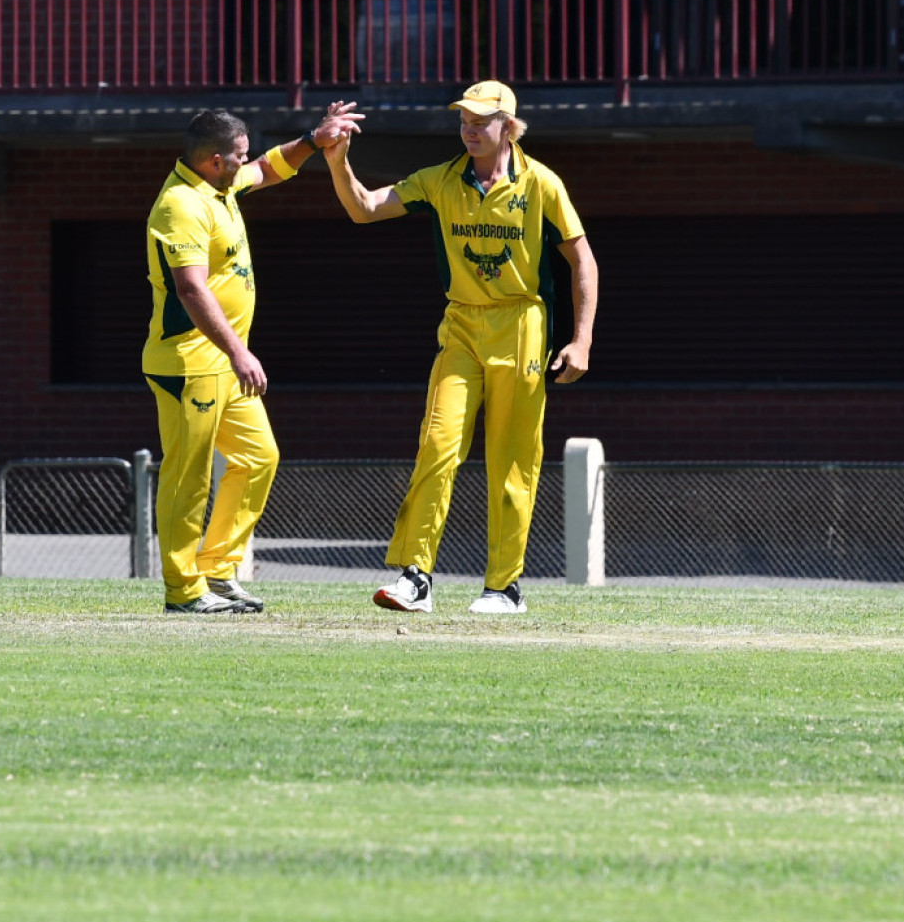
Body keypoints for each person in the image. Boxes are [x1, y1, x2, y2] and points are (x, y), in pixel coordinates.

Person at [323, 81, 596, 615]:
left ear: (508, 127)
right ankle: (415, 577)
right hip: (462, 325)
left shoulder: (541, 183)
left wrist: (581, 340)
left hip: (523, 322)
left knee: (513, 460)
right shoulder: (440, 180)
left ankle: (504, 588)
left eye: (481, 120)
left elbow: (582, 260)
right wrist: (338, 160)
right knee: (438, 443)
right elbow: (365, 208)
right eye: (464, 119)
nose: (469, 128)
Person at [145, 103, 362, 614]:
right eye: (239, 157)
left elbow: (268, 167)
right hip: (188, 364)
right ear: (214, 160)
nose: (249, 163)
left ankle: (217, 570)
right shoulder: (180, 204)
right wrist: (239, 351)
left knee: (258, 457)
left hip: (222, 364)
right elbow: (190, 290)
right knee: (188, 477)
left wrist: (315, 138)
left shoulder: (222, 185)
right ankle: (183, 590)